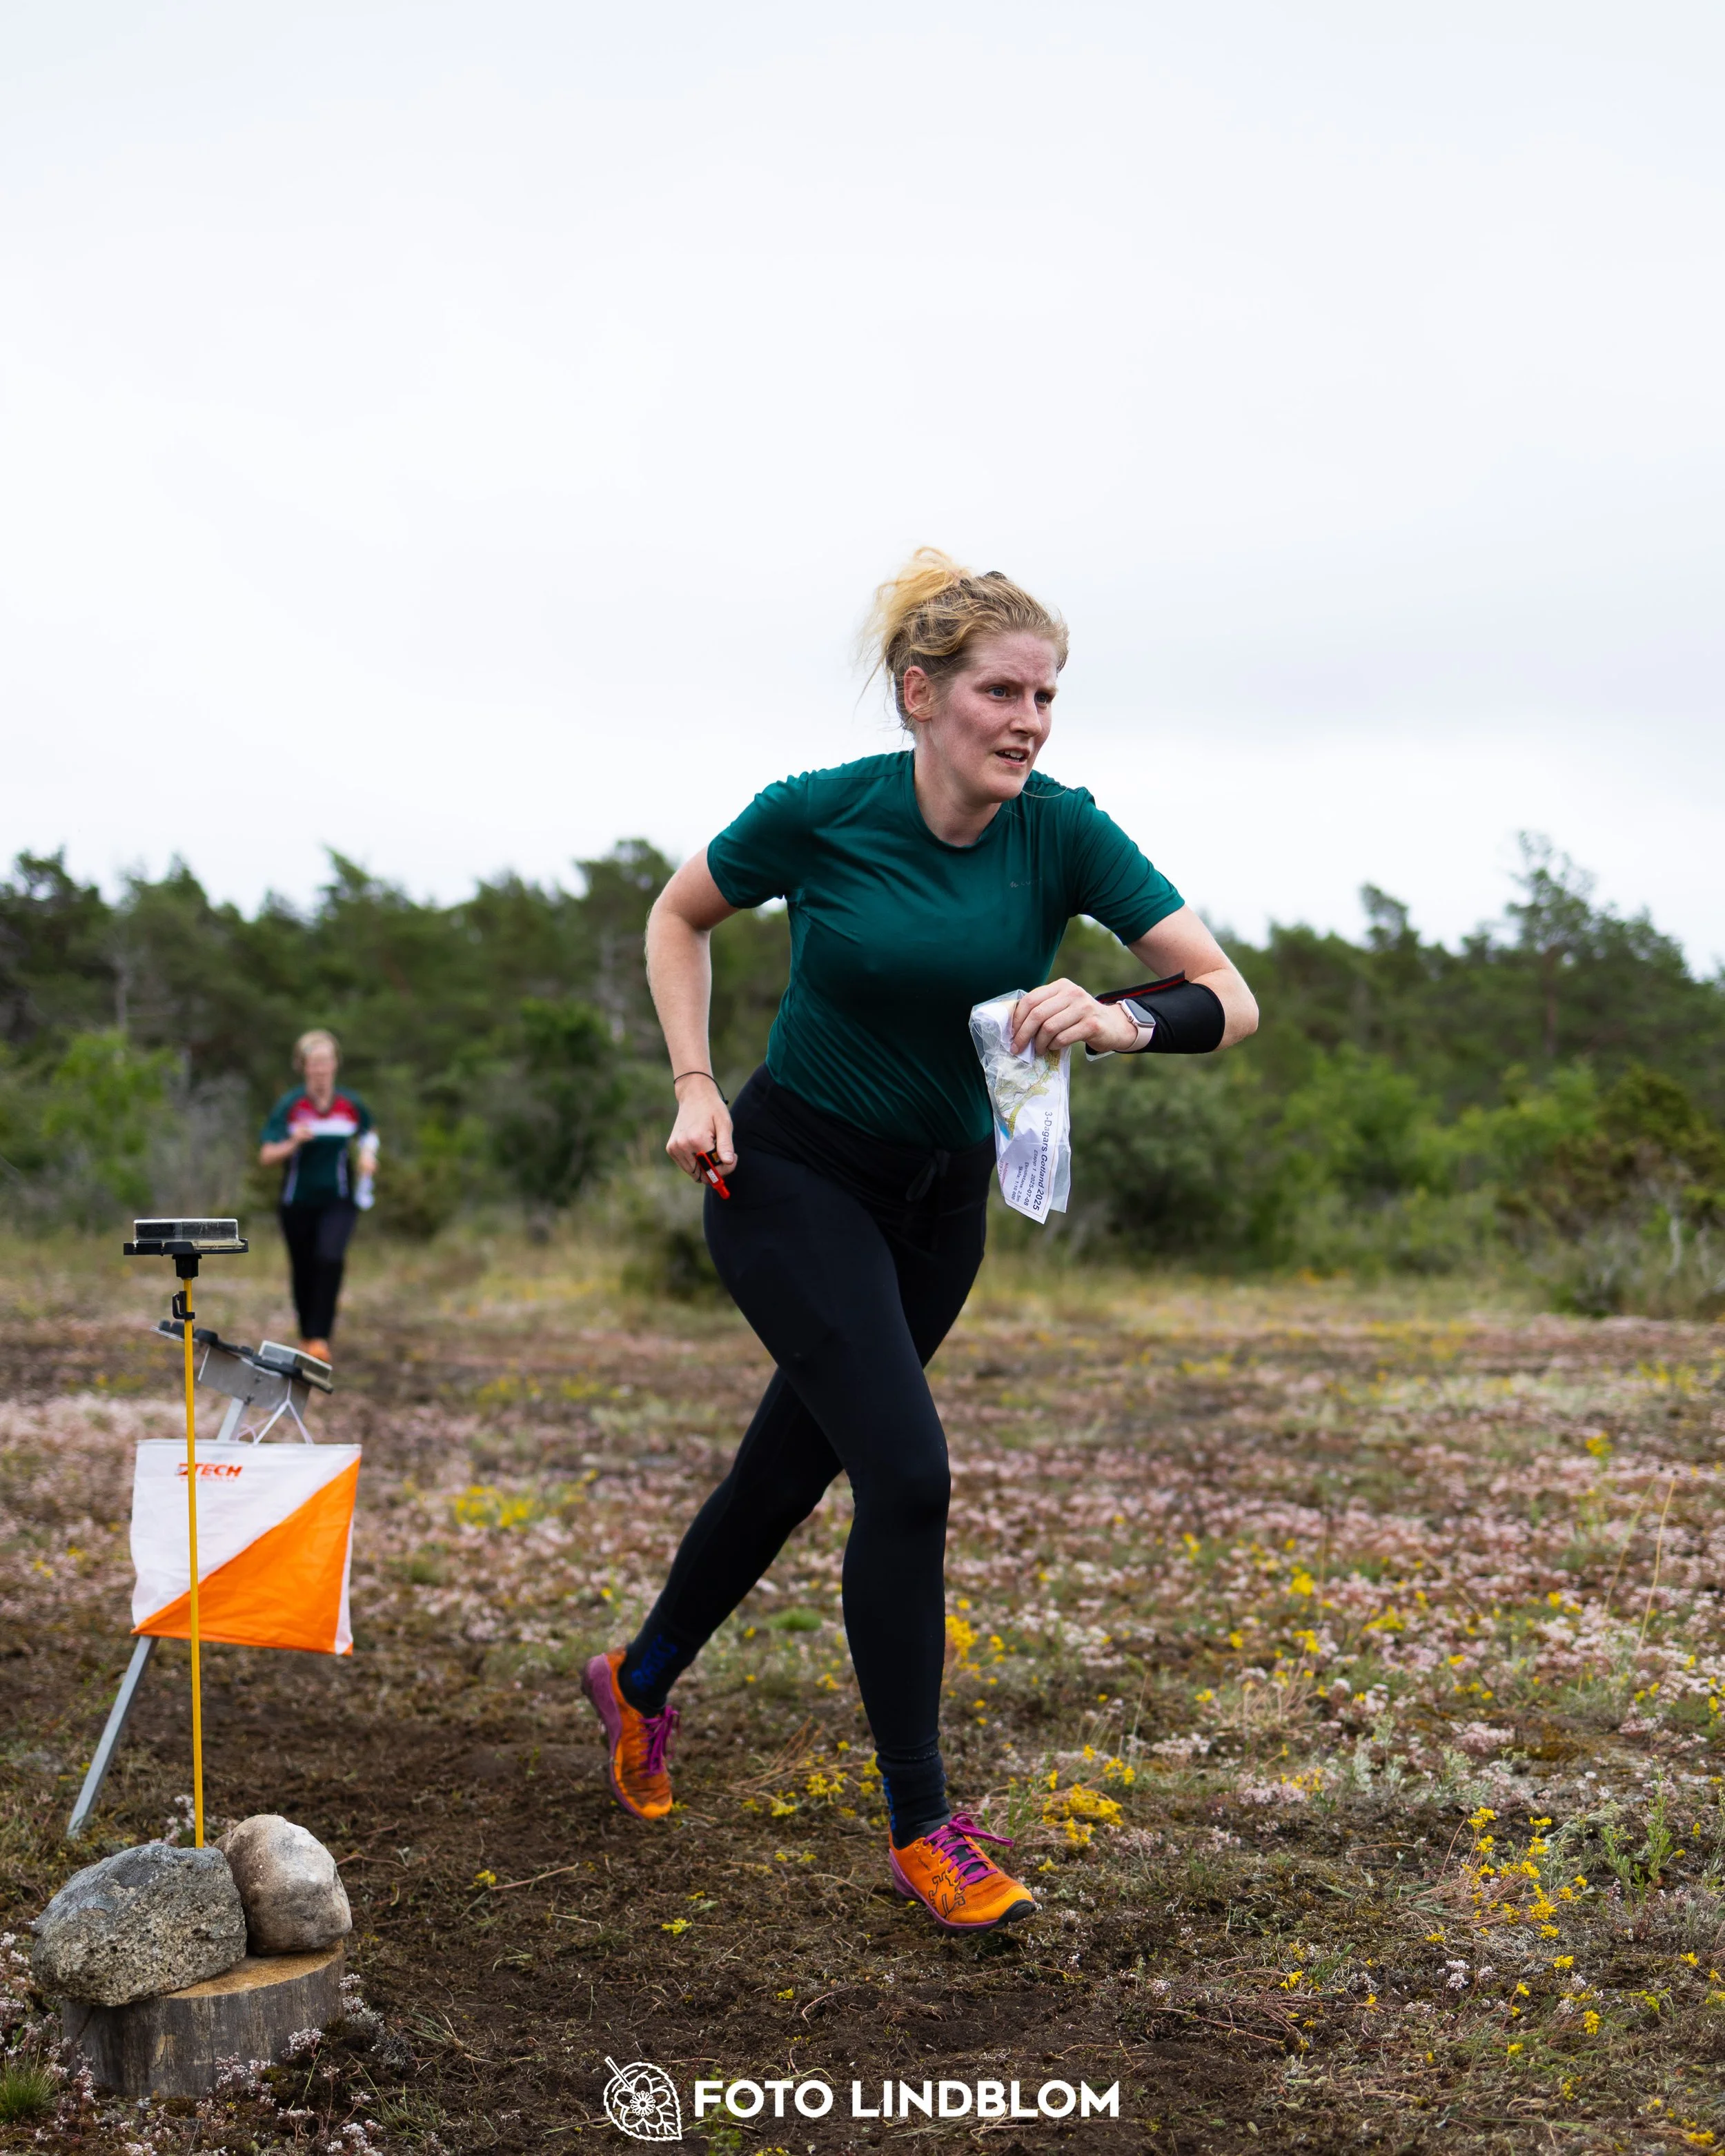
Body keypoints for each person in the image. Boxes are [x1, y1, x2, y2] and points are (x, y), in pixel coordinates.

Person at [582, 551, 1258, 1933]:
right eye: (999, 690)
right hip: (789, 1172)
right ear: (919, 693)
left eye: (1045, 694)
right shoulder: (819, 814)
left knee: (791, 1463)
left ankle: (637, 1680)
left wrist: (1118, 1014)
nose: (1027, 718)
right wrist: (695, 1082)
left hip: (941, 1202)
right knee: (906, 1467)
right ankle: (920, 1822)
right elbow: (676, 913)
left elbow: (1224, 996)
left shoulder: (1058, 831)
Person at [258, 1029, 377, 1362]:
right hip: (297, 1201)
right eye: (314, 1063)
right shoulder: (291, 1106)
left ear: (336, 1065)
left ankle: (321, 1336)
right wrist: (293, 1142)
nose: (321, 1069)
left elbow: (369, 1132)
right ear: (303, 1067)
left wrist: (369, 1155)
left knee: (330, 1257)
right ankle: (308, 1335)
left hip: (339, 1198)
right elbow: (266, 1156)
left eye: (326, 1062)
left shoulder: (350, 1105)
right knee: (304, 1266)